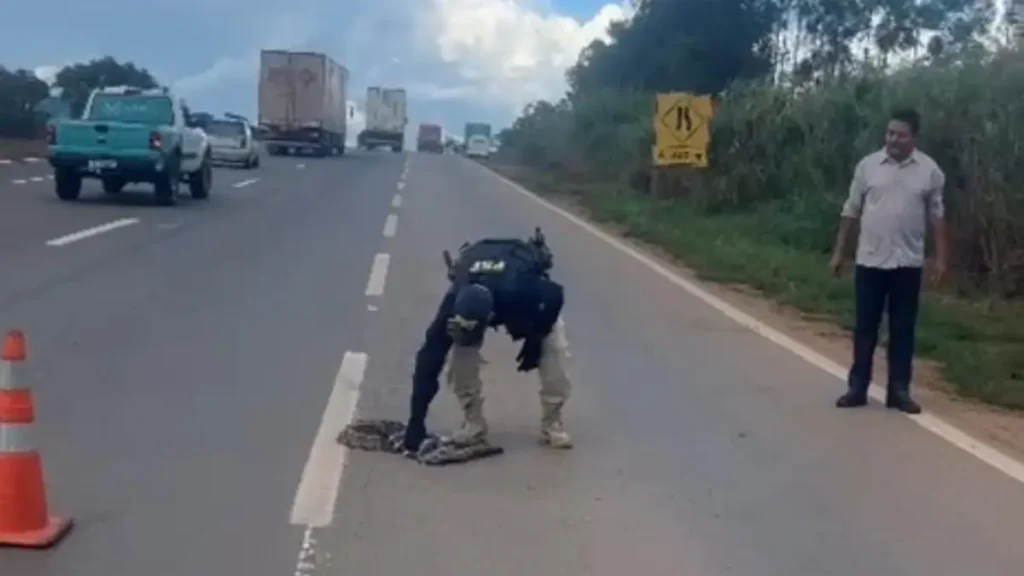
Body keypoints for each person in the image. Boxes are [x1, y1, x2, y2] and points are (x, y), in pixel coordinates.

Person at [399, 228, 574, 454]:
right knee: (460, 356)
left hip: (522, 298)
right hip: (480, 294)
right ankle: (473, 422)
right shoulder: (454, 301)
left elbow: (555, 296)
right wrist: (416, 422)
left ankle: (552, 421)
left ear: (490, 317)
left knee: (555, 352)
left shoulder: (526, 291)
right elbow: (428, 359)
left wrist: (535, 337)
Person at [830, 108, 948, 414]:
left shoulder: (929, 171)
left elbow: (937, 217)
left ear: (914, 137)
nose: (894, 139)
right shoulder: (868, 166)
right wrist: (839, 252)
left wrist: (941, 258)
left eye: (901, 134)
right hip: (870, 260)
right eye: (890, 133)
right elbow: (850, 211)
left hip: (907, 263)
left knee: (903, 328)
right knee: (865, 327)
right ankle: (857, 387)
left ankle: (898, 390)